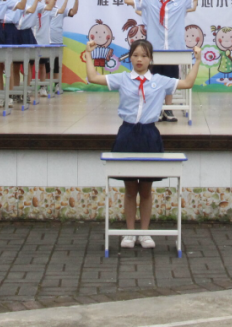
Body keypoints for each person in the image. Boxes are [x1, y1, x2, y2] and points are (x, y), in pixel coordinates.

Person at [84, 38, 201, 249]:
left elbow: (188, 83)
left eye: (144, 56)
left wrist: (198, 61)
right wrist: (89, 53)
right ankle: (129, 233)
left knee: (146, 189)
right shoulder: (122, 78)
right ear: (130, 57)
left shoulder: (160, 81)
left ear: (150, 60)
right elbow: (92, 77)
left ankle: (145, 233)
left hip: (149, 134)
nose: (139, 59)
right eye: (135, 55)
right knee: (130, 189)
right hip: (127, 133)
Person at [126, 0, 203, 123]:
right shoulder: (150, 0)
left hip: (174, 49)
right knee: (153, 80)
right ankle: (156, 110)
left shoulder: (180, 1)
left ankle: (168, 111)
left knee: (171, 79)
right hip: (154, 50)